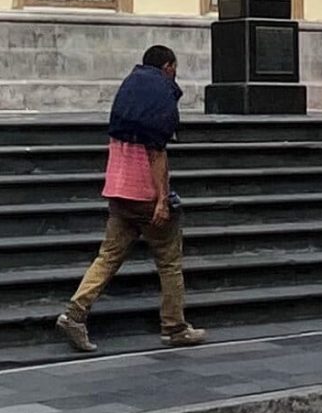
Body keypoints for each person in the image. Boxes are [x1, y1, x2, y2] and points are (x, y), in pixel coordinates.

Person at [54, 46, 207, 353]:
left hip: (117, 188)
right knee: (169, 262)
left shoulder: (128, 90)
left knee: (107, 257)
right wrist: (162, 200)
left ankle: (74, 313)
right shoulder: (160, 97)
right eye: (175, 68)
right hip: (145, 195)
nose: (175, 74)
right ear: (167, 67)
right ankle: (174, 327)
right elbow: (156, 152)